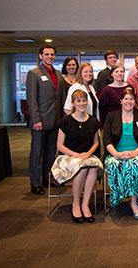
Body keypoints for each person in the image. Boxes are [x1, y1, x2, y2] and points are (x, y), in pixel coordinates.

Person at [52, 90, 103, 223]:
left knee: (92, 166)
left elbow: (96, 142)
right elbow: (60, 146)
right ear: (73, 103)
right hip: (68, 156)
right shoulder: (65, 121)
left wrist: (88, 154)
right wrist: (77, 155)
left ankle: (85, 204)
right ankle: (76, 204)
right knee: (82, 168)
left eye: (84, 100)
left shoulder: (93, 121)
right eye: (78, 101)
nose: (82, 103)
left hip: (87, 155)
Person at [103, 88, 138, 219]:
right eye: (126, 99)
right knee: (112, 164)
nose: (128, 101)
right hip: (116, 153)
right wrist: (116, 154)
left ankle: (134, 203)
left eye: (131, 99)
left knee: (133, 164)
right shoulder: (112, 117)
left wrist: (135, 152)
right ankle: (116, 197)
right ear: (121, 101)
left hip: (137, 152)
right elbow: (106, 139)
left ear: (135, 101)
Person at [26, 44, 64, 194]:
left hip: (55, 121)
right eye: (47, 54)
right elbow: (31, 99)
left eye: (52, 54)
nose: (50, 57)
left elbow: (60, 98)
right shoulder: (34, 73)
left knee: (50, 152)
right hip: (40, 121)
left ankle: (47, 179)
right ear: (41, 56)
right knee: (37, 153)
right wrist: (36, 119)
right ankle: (35, 183)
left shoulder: (59, 74)